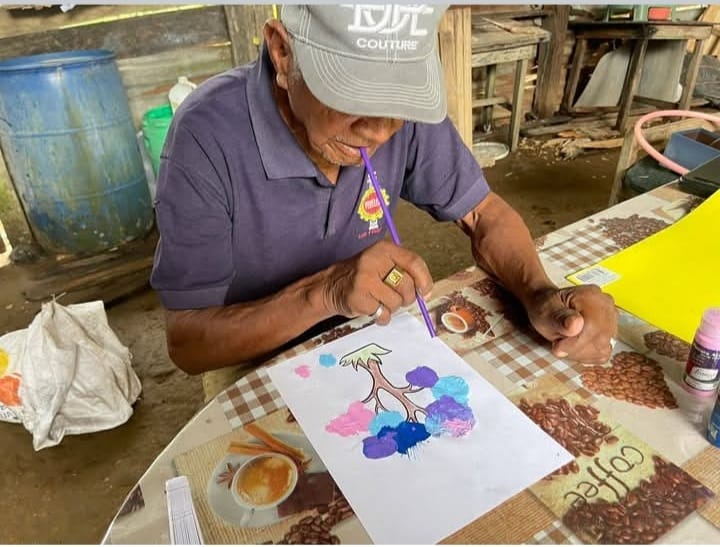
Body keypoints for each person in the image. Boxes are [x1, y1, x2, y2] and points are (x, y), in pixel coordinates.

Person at [151, 4, 617, 399]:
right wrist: (325, 293)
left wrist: (540, 294)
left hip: (372, 338)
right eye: (351, 93)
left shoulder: (401, 117)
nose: (379, 131)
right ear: (283, 52)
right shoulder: (207, 135)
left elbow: (483, 213)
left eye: (398, 100)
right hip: (254, 361)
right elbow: (188, 343)